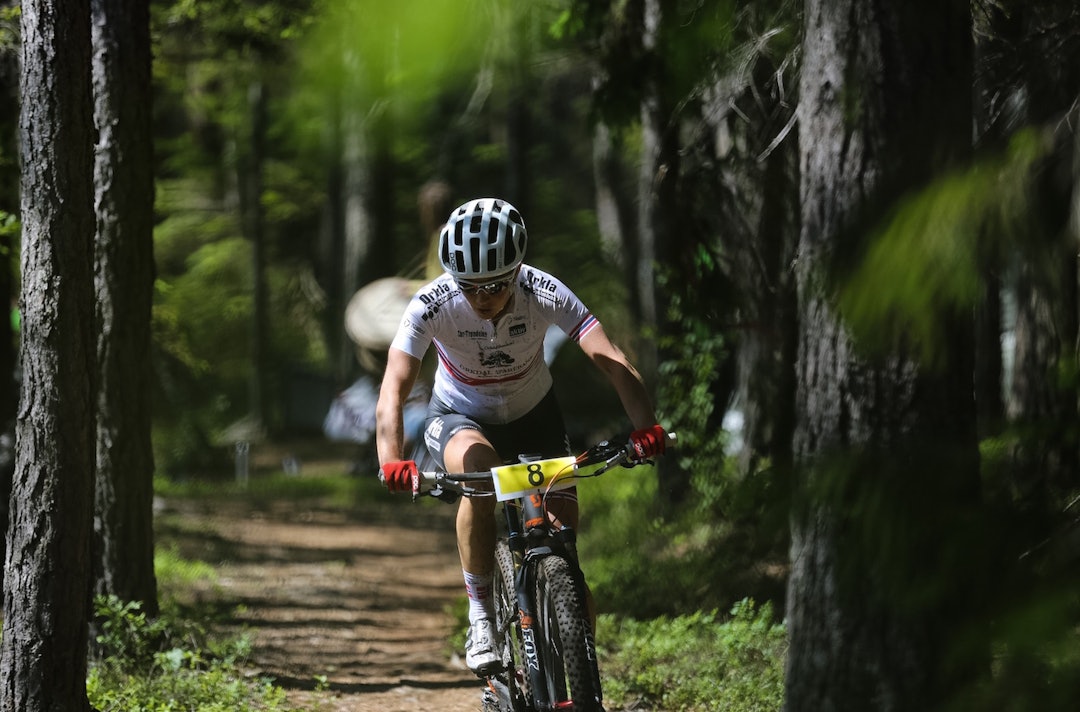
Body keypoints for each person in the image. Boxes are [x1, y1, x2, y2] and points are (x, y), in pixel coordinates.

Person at [375, 197, 667, 676]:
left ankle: (579, 669)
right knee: (480, 469)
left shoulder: (543, 290)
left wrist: (646, 429)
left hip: (535, 416)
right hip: (458, 416)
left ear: (516, 271)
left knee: (565, 552)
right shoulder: (432, 303)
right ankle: (482, 617)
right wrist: (392, 458)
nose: (481, 296)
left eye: (494, 284)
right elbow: (394, 386)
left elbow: (611, 360)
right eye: (469, 286)